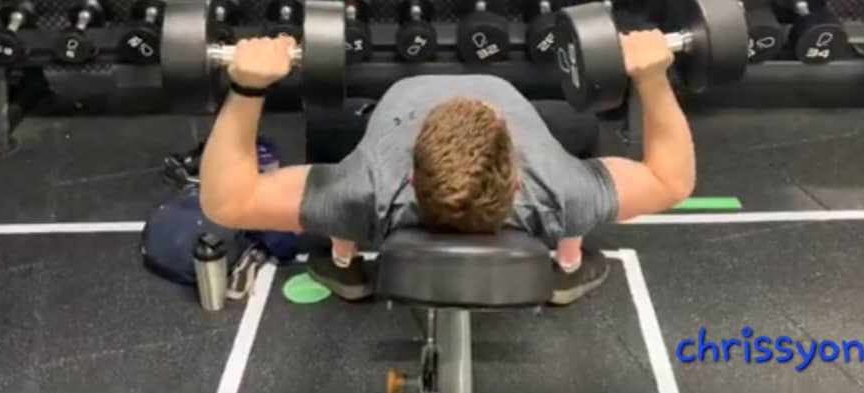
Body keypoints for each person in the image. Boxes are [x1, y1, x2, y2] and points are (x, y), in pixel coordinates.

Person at [198, 30, 696, 305]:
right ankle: (568, 267)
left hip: (366, 180)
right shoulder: (561, 189)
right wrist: (652, 76)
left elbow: (226, 200)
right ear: (515, 180)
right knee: (579, 141)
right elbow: (671, 179)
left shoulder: (360, 192)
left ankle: (345, 264)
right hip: (560, 198)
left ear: (411, 177)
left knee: (332, 146)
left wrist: (247, 86)